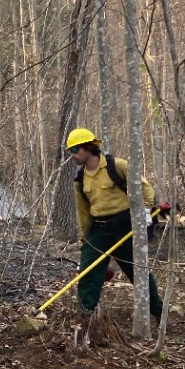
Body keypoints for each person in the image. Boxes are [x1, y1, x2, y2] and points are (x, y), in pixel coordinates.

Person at [66, 128, 163, 325]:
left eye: (75, 150)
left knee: (139, 273)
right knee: (87, 272)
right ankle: (87, 317)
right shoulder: (80, 180)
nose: (73, 155)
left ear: (88, 148)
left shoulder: (117, 166)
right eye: (70, 151)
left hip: (125, 227)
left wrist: (144, 212)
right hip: (98, 230)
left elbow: (145, 187)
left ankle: (160, 314)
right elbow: (83, 211)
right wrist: (85, 237)